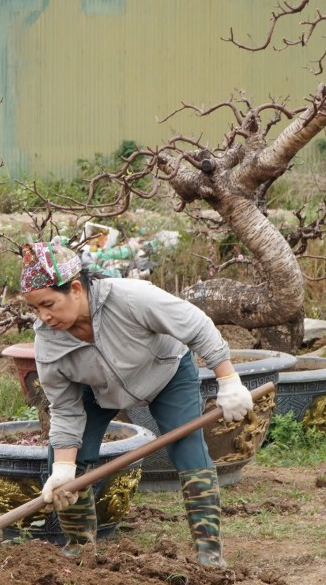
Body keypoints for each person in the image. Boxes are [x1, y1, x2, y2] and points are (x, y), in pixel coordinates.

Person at [20, 239, 253, 567]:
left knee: (188, 447)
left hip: (166, 371)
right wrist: (62, 470)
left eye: (48, 304)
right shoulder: (48, 343)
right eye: (34, 309)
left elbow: (196, 325)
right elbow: (65, 408)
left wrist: (228, 380)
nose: (44, 316)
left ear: (75, 288)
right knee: (65, 459)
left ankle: (208, 550)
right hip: (98, 389)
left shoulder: (129, 297)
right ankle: (79, 548)